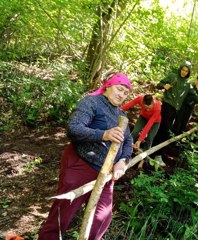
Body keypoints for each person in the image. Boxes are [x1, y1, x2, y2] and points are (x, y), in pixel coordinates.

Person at [38, 72, 133, 240]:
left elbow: (128, 141)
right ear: (108, 86)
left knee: (101, 219)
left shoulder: (122, 115)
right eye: (119, 89)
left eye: (126, 93)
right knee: (63, 213)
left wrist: (123, 161)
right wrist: (103, 134)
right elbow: (74, 128)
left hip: (105, 174)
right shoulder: (91, 102)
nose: (122, 95)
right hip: (81, 165)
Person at [153, 61, 198, 149]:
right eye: (183, 69)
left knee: (165, 131)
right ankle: (155, 152)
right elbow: (158, 85)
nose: (184, 72)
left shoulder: (187, 85)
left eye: (186, 71)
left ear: (188, 72)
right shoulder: (172, 76)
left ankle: (156, 152)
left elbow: (196, 97)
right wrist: (164, 85)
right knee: (164, 130)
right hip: (166, 106)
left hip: (175, 110)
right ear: (180, 69)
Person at [121, 94, 161, 168]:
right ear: (142, 102)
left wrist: (140, 140)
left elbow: (149, 125)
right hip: (143, 117)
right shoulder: (140, 98)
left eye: (149, 107)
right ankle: (125, 149)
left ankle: (143, 160)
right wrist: (120, 110)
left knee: (150, 138)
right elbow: (130, 104)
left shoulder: (157, 107)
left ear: (152, 102)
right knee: (135, 131)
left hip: (155, 121)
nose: (148, 109)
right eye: (145, 107)